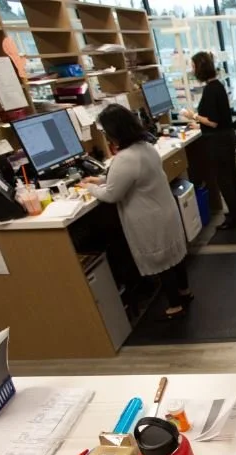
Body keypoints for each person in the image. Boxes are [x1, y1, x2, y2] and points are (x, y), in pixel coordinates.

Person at [79, 104, 191, 320]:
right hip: (164, 210)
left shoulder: (125, 157)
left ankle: (175, 306)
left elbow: (112, 194)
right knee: (174, 256)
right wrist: (100, 179)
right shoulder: (145, 147)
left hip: (149, 216)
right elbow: (129, 176)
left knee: (162, 261)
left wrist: (90, 188)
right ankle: (185, 291)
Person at [181, 51, 236, 230]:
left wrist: (192, 116)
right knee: (231, 177)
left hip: (218, 141)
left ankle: (234, 219)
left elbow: (213, 121)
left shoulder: (210, 90)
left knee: (224, 180)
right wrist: (199, 124)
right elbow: (217, 118)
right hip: (226, 136)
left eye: (193, 66)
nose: (192, 70)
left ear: (200, 68)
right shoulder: (217, 85)